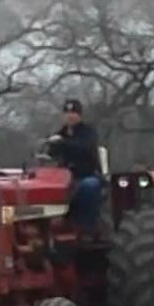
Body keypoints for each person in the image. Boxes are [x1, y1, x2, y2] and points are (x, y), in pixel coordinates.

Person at [45, 98, 103, 237]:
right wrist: (50, 146)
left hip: (85, 174)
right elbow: (51, 154)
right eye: (67, 112)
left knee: (89, 186)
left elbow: (84, 148)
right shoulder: (60, 133)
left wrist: (63, 143)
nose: (70, 116)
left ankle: (87, 227)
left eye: (74, 112)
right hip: (62, 178)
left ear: (79, 115)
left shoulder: (88, 132)